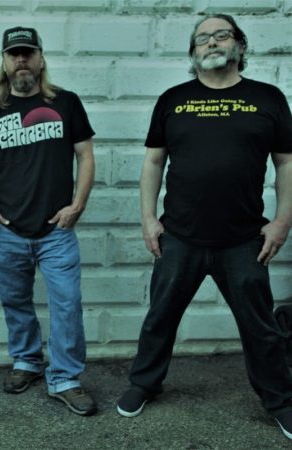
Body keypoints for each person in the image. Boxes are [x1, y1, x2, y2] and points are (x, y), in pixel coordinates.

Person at [116, 14, 292, 440]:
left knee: (261, 328)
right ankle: (144, 383)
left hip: (244, 240)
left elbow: (286, 163)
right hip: (180, 237)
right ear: (193, 53)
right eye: (202, 39)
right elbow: (153, 161)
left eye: (221, 35)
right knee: (160, 317)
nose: (211, 43)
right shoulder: (173, 99)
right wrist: (148, 218)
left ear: (240, 45)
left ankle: (280, 400)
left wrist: (282, 222)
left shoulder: (267, 98)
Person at [0, 27, 97, 416]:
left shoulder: (66, 102)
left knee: (67, 303)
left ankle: (65, 378)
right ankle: (26, 361)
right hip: (8, 228)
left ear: (40, 58)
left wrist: (78, 205)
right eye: (14, 54)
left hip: (57, 230)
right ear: (5, 62)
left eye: (28, 53)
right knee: (15, 301)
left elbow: (85, 155)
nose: (21, 59)